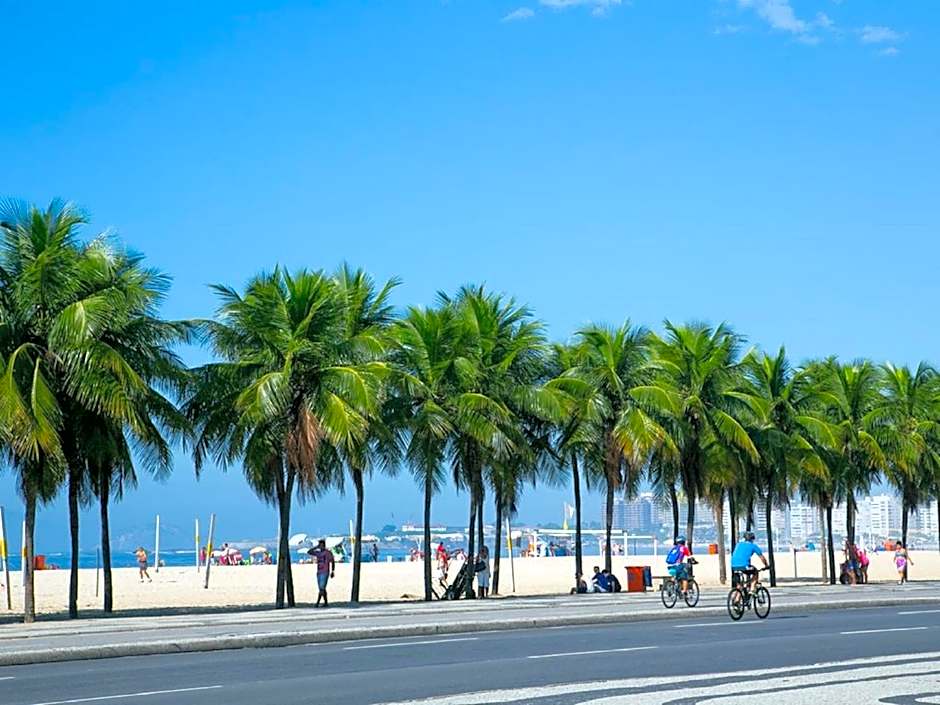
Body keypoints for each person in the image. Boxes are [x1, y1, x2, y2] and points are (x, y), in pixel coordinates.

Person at [310, 539, 335, 607]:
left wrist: (333, 571)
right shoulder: (318, 553)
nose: (320, 547)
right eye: (319, 545)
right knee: (322, 588)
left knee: (322, 588)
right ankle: (326, 603)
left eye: (321, 545)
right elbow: (309, 552)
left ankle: (317, 603)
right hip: (319, 572)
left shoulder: (328, 552)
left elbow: (332, 561)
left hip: (325, 571)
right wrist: (316, 547)